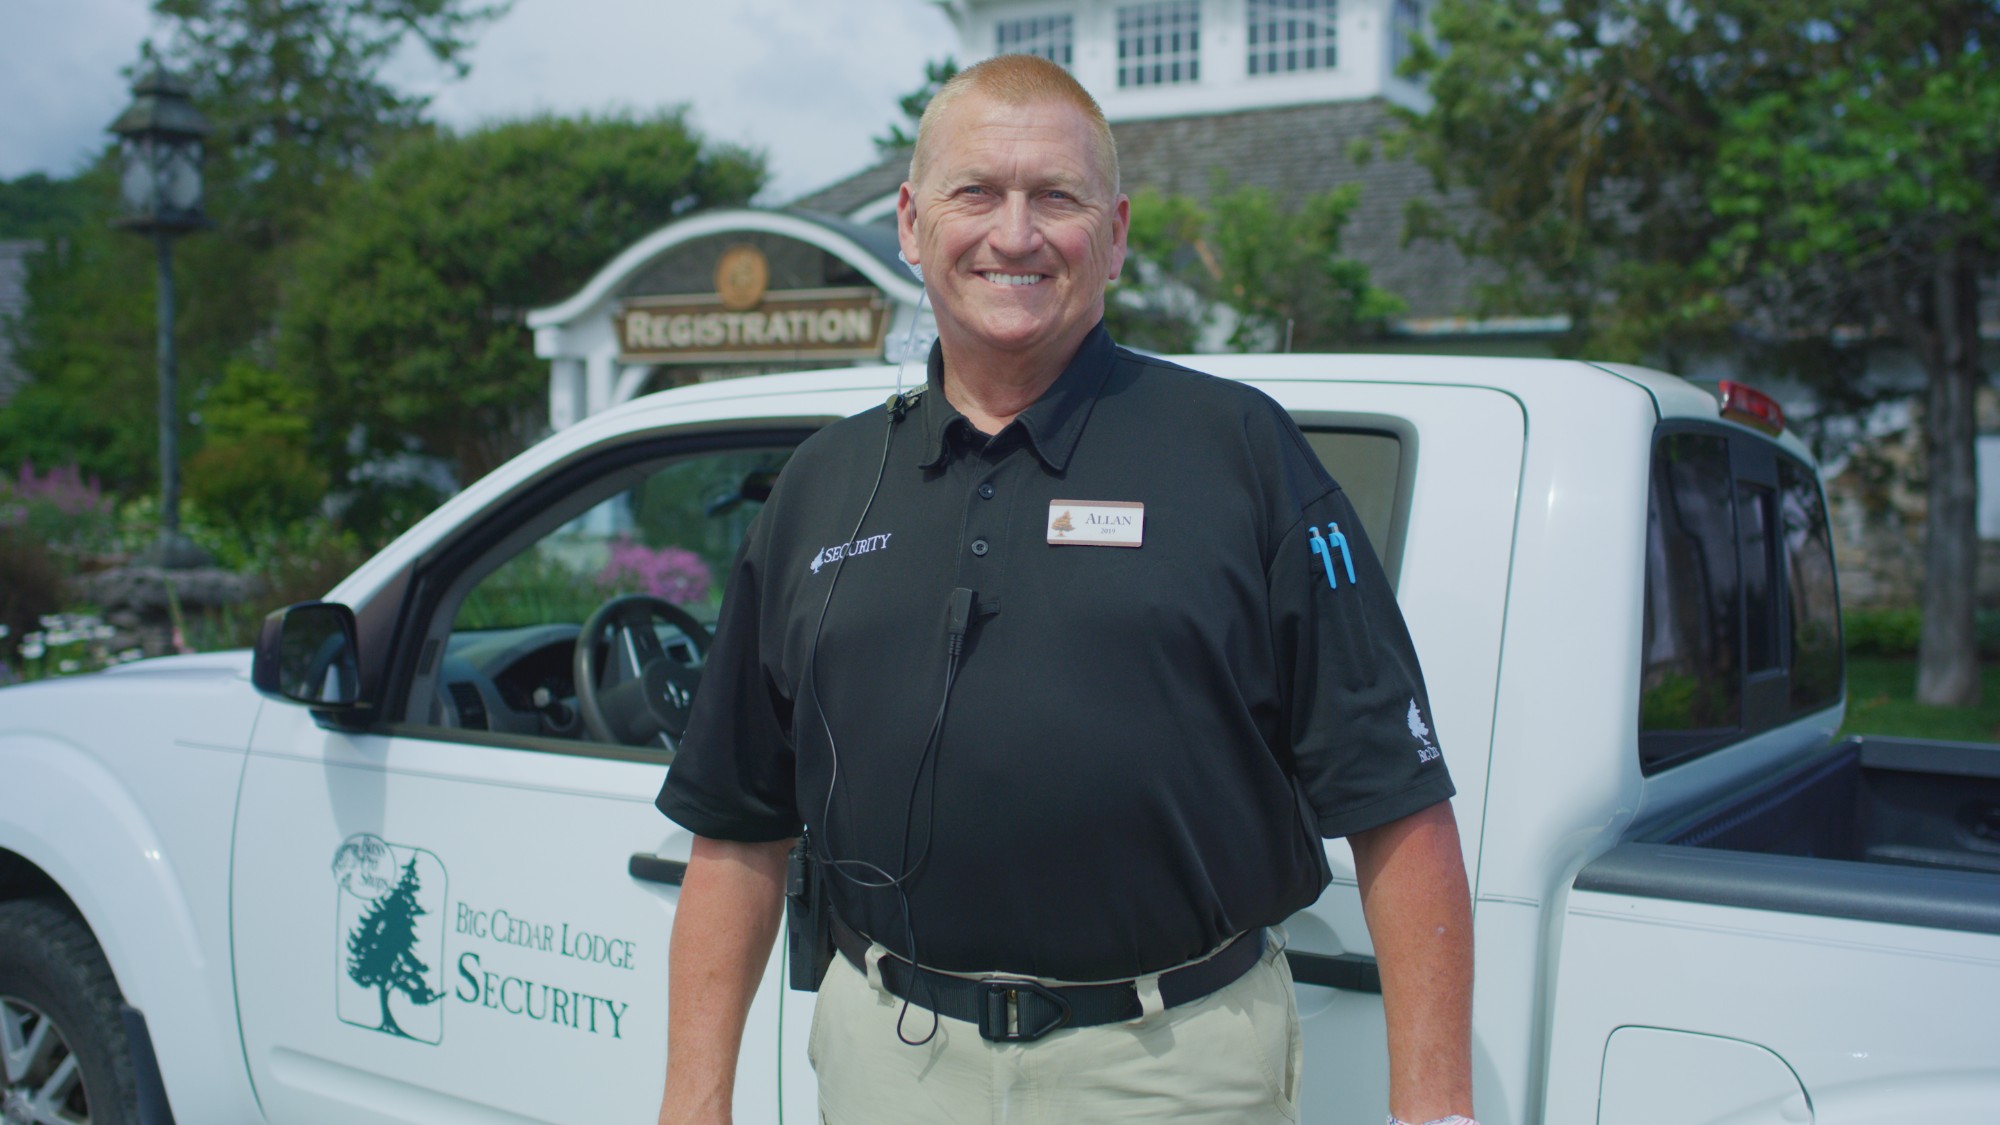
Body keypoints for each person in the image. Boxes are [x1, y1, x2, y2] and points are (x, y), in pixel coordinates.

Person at [655, 53, 1476, 1125]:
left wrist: (1437, 1109)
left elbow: (1396, 802)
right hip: (887, 1064)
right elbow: (736, 827)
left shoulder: (1239, 453)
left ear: (1117, 233)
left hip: (1170, 1070)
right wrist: (690, 1103)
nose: (1014, 233)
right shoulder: (821, 486)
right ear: (910, 223)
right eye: (975, 193)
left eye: (1056, 197)